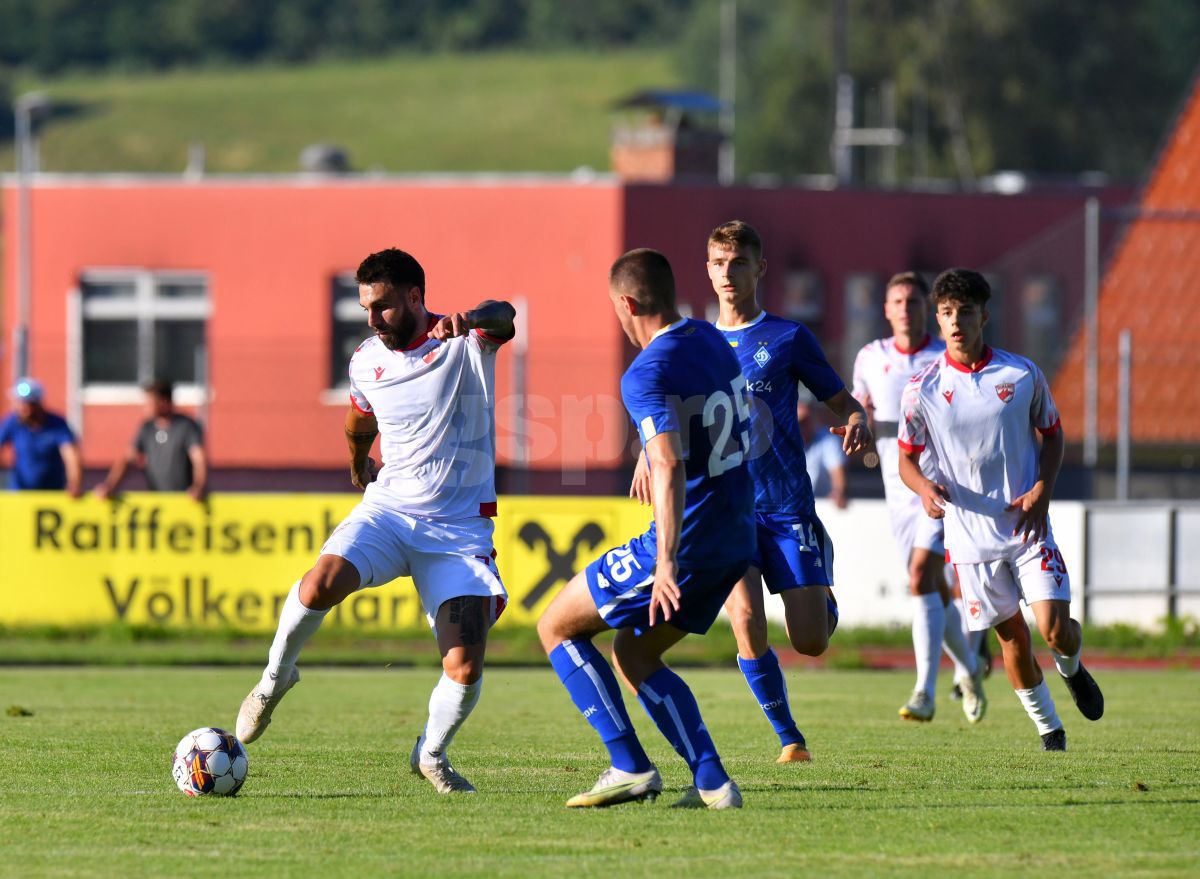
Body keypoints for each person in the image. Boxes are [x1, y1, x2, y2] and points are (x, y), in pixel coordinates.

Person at [234, 248, 516, 793]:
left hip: (457, 532)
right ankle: (274, 680)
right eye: (365, 307)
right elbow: (360, 415)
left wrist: (474, 317)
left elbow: (505, 315)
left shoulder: (467, 343)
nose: (372, 319)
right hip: (389, 512)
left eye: (382, 306)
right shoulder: (366, 359)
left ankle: (430, 754)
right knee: (319, 582)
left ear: (415, 296)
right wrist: (357, 462)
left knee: (464, 667)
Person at [632, 219, 870, 765]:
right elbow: (663, 408)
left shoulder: (788, 337)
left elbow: (841, 401)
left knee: (810, 641)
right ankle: (790, 739)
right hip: (728, 509)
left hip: (786, 505)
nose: (727, 273)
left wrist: (856, 417)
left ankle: (820, 596)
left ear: (760, 269)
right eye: (718, 263)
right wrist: (647, 454)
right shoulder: (693, 342)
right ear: (706, 269)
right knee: (745, 620)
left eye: (738, 262)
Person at [537, 248, 755, 810]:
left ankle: (629, 766)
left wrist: (665, 562)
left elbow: (670, 462)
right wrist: (650, 449)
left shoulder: (644, 371)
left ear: (627, 303)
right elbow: (718, 419)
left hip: (690, 542)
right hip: (737, 537)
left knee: (556, 626)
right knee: (634, 654)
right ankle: (713, 784)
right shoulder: (713, 340)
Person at [898, 268, 1104, 751]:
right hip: (971, 539)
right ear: (938, 318)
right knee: (1013, 638)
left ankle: (1072, 668)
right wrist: (924, 489)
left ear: (983, 317)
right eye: (946, 313)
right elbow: (906, 459)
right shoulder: (922, 389)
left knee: (1055, 631)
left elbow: (1053, 435)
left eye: (965, 312)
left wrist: (1041, 490)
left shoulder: (1021, 373)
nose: (955, 322)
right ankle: (1050, 730)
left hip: (1028, 528)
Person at [852, 272, 987, 724]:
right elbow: (860, 410)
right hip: (898, 487)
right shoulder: (870, 357)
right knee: (929, 589)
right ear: (886, 310)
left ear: (925, 310)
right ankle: (970, 668)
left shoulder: (943, 354)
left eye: (913, 301)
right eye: (898, 301)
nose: (905, 309)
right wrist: (855, 427)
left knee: (919, 576)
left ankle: (923, 692)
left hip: (940, 483)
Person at [95, 380, 207, 500]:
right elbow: (128, 459)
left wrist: (198, 487)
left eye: (150, 402)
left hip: (184, 500)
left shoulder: (186, 426)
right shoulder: (147, 428)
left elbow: (199, 461)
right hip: (157, 499)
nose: (145, 407)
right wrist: (109, 485)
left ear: (164, 402)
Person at [0, 378, 83, 497]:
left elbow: (71, 456)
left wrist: (74, 483)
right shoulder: (13, 422)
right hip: (19, 494)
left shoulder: (57, 425)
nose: (20, 408)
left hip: (50, 494)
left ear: (36, 404)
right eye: (18, 403)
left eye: (25, 404)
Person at [797, 396, 848, 509]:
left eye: (806, 421)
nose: (802, 427)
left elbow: (837, 471)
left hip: (823, 506)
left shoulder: (828, 439)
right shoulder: (784, 442)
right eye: (799, 423)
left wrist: (839, 492)